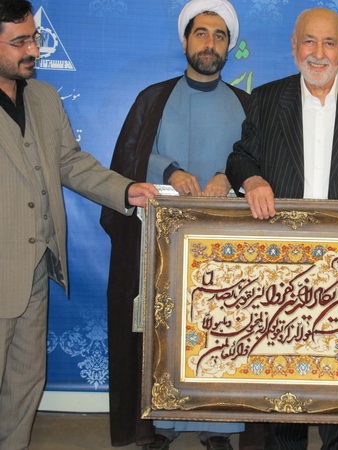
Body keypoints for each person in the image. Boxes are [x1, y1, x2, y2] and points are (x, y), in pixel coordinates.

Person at [226, 7, 338, 449]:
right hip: (284, 266)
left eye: (329, 43)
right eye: (309, 41)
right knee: (287, 367)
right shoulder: (267, 98)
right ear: (294, 47)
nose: (318, 52)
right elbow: (240, 156)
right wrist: (252, 179)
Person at [99, 1, 258, 449]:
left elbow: (260, 161)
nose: (210, 43)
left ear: (229, 47)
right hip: (162, 247)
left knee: (224, 326)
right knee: (164, 327)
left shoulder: (247, 104)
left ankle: (220, 425)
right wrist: (169, 170)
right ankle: (160, 423)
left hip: (227, 249)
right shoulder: (153, 98)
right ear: (185, 41)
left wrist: (231, 175)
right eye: (201, 33)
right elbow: (128, 158)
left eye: (220, 36)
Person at [0, 0, 158, 448]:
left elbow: (69, 162)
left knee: (25, 380)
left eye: (34, 38)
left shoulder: (44, 98)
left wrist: (126, 191)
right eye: (19, 42)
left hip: (37, 267)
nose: (34, 50)